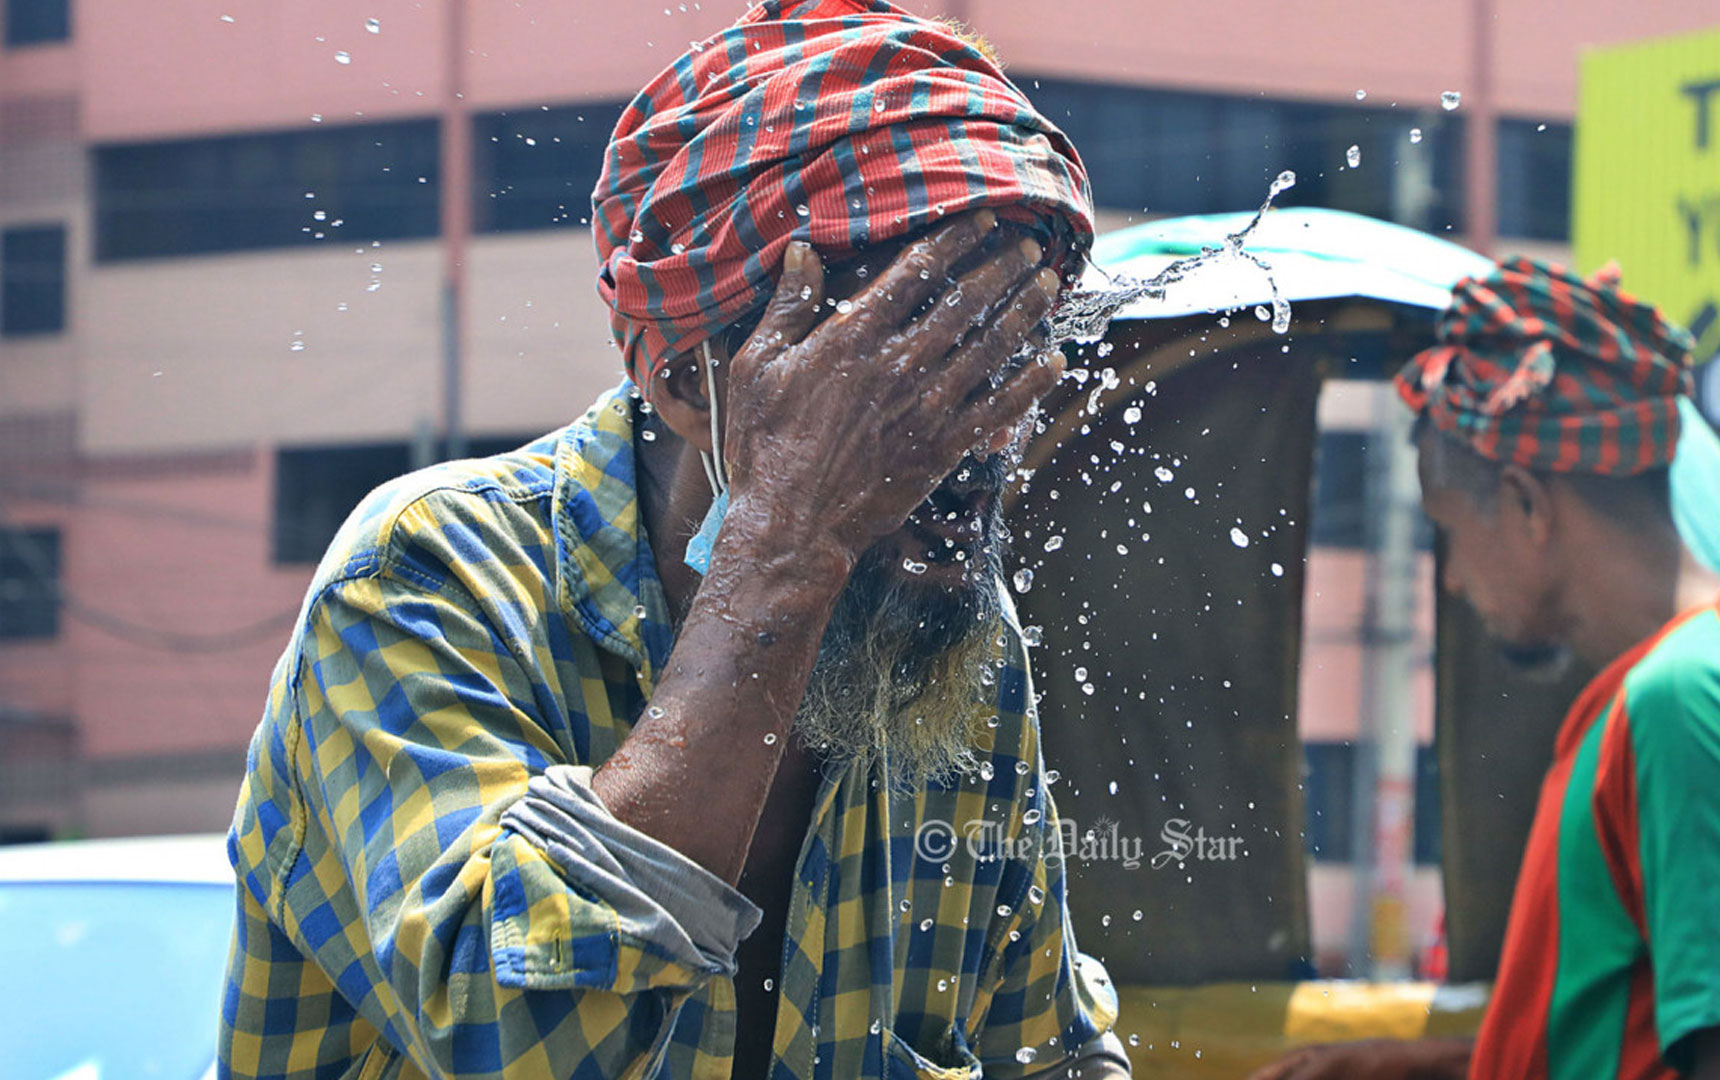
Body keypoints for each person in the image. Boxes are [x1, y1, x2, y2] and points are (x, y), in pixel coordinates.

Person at [217, 3, 1129, 1077]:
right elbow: (518, 1044)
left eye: (1006, 361)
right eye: (906, 365)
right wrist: (783, 547)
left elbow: (1051, 1055)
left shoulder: (948, 640)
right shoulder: (425, 580)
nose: (976, 436)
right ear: (686, 378)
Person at [1254, 259, 1720, 1080]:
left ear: (1528, 505)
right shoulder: (1692, 678)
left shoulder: (1691, 701)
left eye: (1451, 531)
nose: (1455, 578)